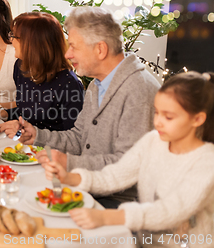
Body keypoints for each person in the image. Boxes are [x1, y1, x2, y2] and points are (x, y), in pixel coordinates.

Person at [0, 6, 160, 208]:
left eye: (74, 47)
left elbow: (127, 166)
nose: (67, 54)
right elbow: (78, 137)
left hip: (120, 203)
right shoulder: (97, 84)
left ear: (100, 49)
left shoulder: (138, 91)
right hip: (88, 186)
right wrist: (37, 135)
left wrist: (70, 164)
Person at [43, 72, 214, 246]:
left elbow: (171, 210)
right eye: (156, 113)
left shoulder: (207, 162)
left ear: (198, 119)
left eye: (168, 117)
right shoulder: (153, 141)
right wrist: (71, 177)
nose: (158, 122)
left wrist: (107, 216)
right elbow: (116, 175)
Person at [2, 12, 84, 130]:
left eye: (14, 36)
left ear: (32, 43)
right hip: (24, 145)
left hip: (50, 148)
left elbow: (73, 137)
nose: (11, 41)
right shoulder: (21, 67)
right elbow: (27, 112)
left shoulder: (69, 84)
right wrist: (2, 114)